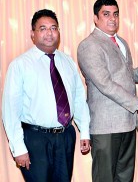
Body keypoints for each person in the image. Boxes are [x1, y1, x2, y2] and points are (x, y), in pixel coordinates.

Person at [77, 0, 138, 182]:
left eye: (115, 14)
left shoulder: (121, 42)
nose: (112, 19)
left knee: (125, 177)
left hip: (127, 122)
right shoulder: (89, 45)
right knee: (105, 178)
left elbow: (125, 74)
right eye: (106, 14)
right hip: (106, 126)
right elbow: (105, 83)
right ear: (95, 18)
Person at [2, 9, 90, 182]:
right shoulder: (20, 65)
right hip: (35, 139)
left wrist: (85, 131)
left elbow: (79, 99)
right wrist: (18, 148)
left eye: (53, 28)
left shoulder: (68, 62)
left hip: (65, 136)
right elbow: (10, 110)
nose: (49, 33)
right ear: (32, 34)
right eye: (42, 28)